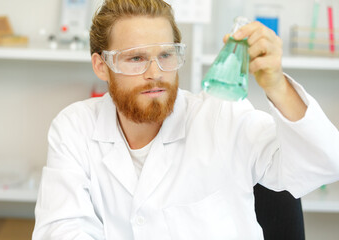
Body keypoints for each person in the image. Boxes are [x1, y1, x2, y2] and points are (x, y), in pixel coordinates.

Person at [32, 0, 339, 239]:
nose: (155, 73)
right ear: (101, 66)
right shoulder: (74, 127)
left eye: (166, 55)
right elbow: (61, 230)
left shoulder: (222, 115)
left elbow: (324, 165)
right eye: (136, 58)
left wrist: (277, 85)